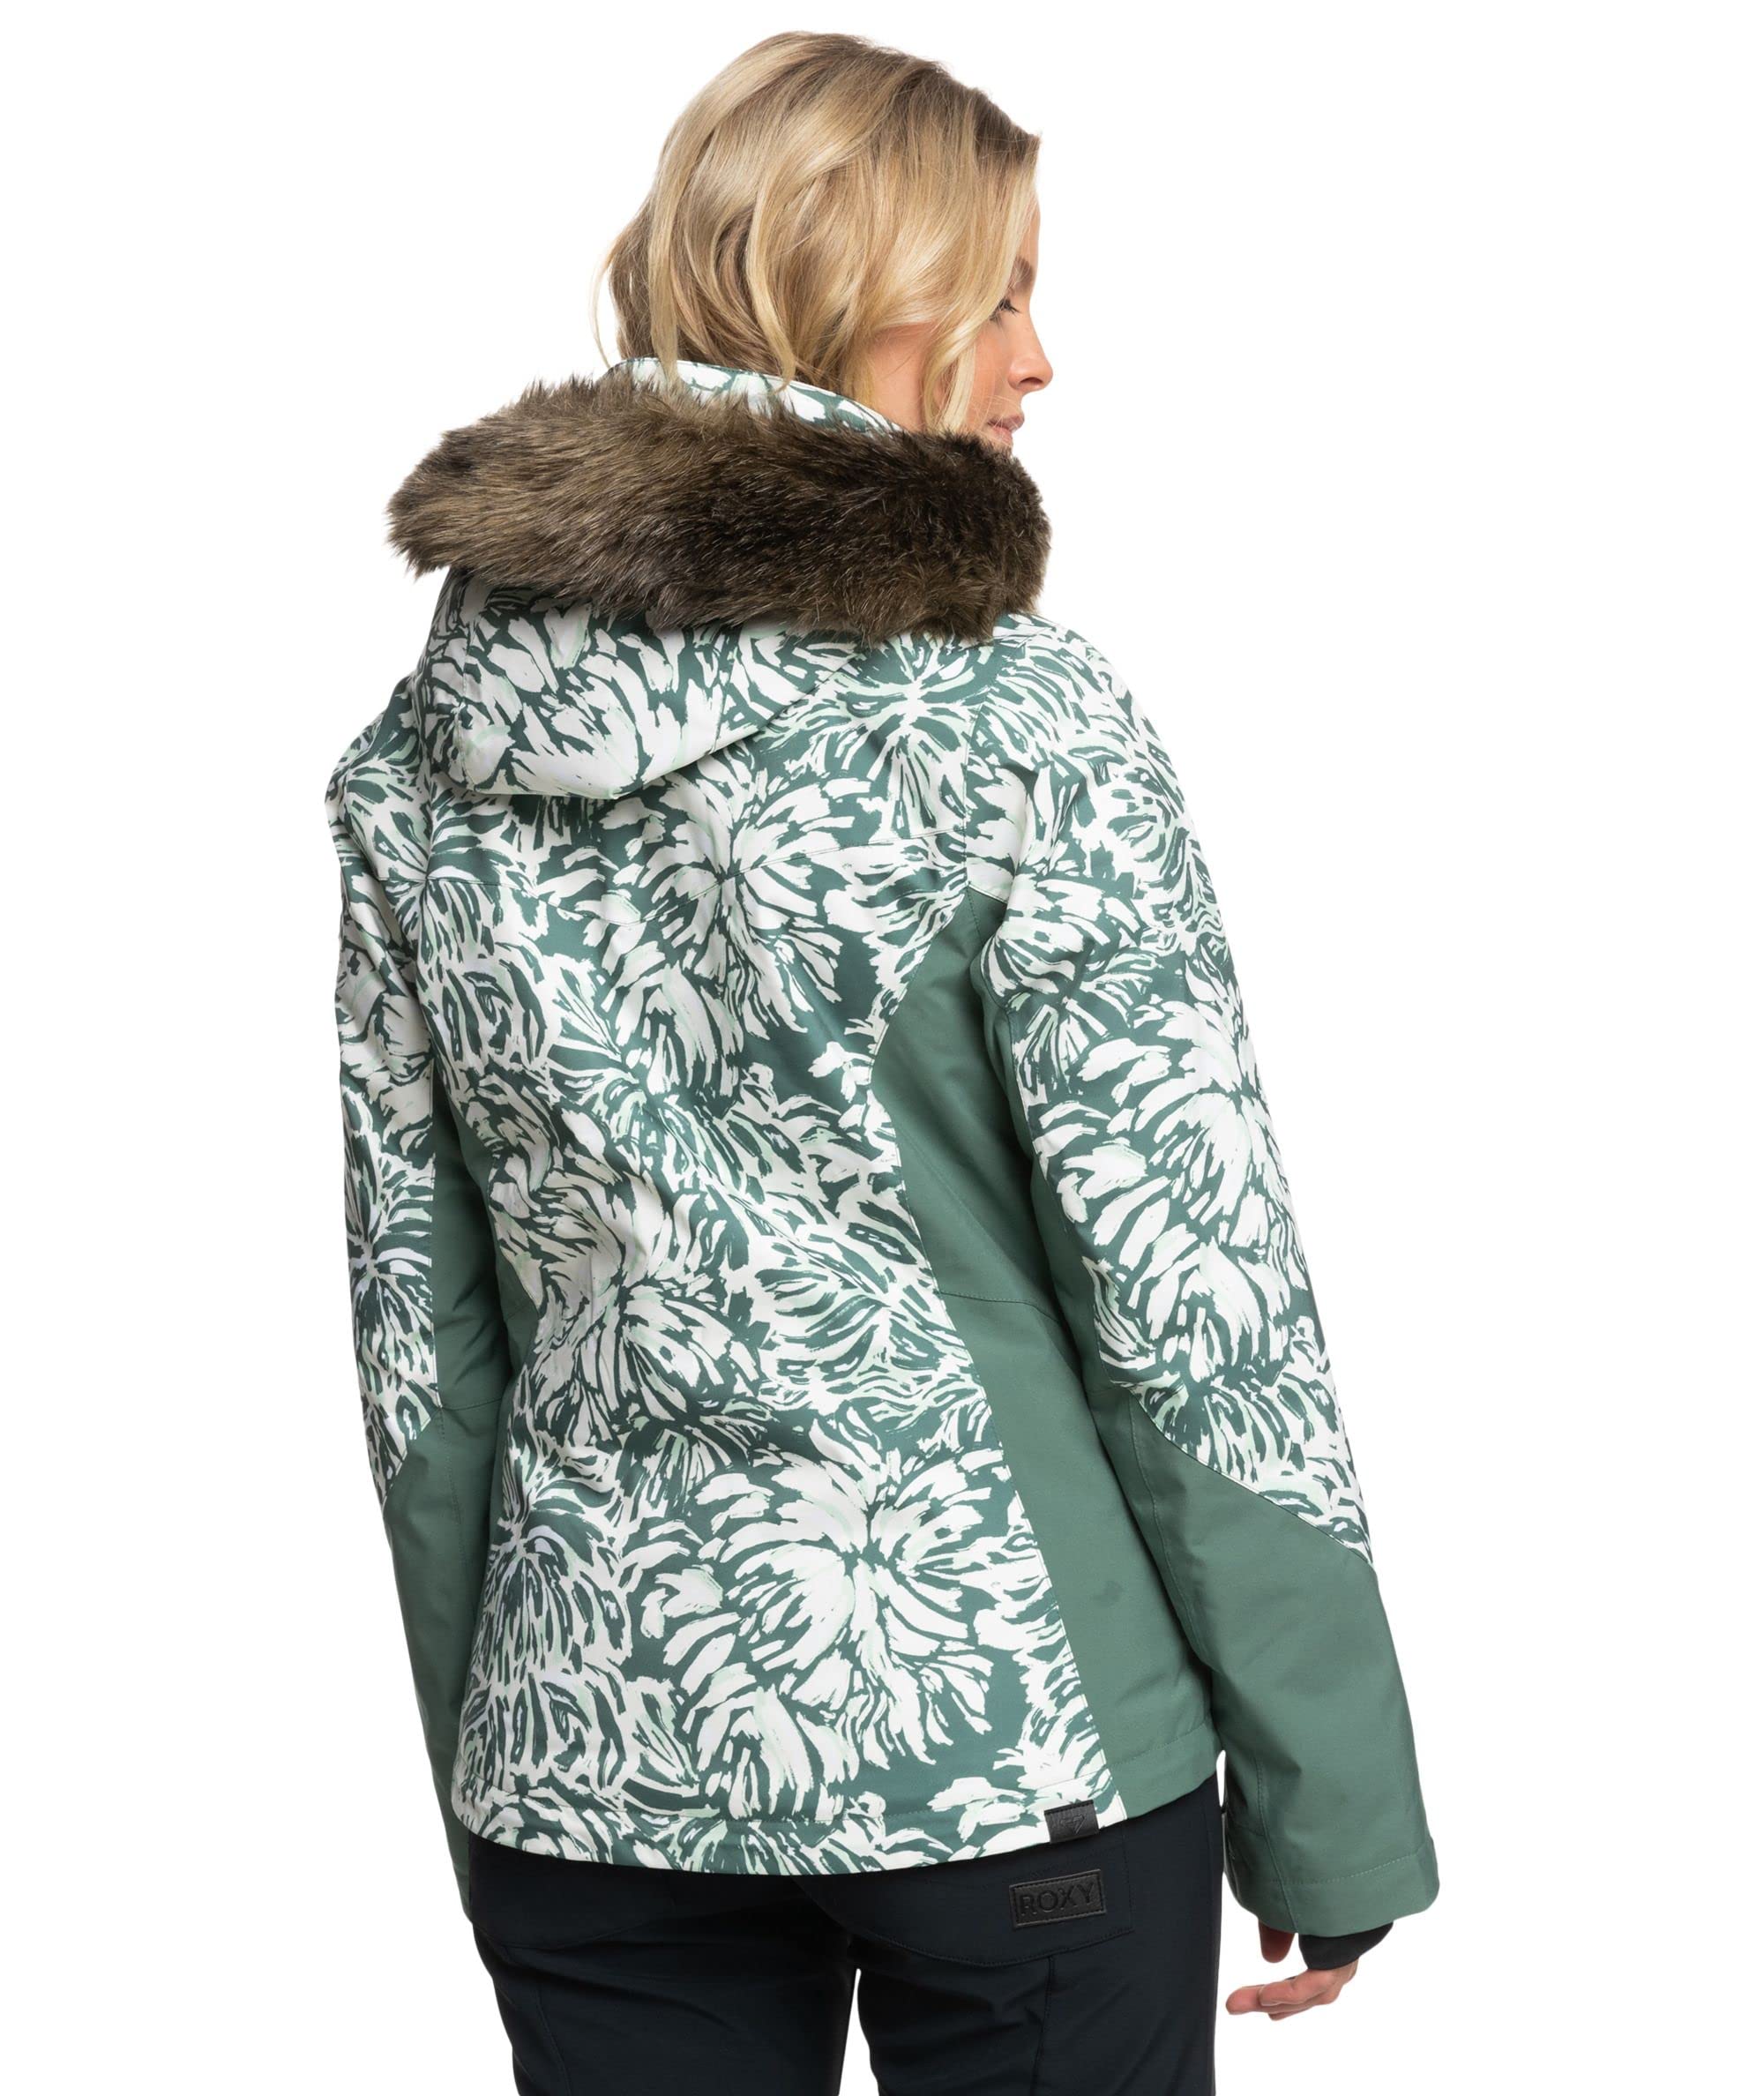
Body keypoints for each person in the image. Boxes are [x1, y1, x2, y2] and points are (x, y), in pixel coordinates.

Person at [325, 31, 1437, 2093]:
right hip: (1010, 1744)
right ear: (866, 298)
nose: (1041, 360)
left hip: (593, 1751)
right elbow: (1196, 1305)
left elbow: (424, 1339)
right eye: (1001, 293)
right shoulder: (1014, 720)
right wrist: (1334, 1805)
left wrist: (507, 1763)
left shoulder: (418, 758)